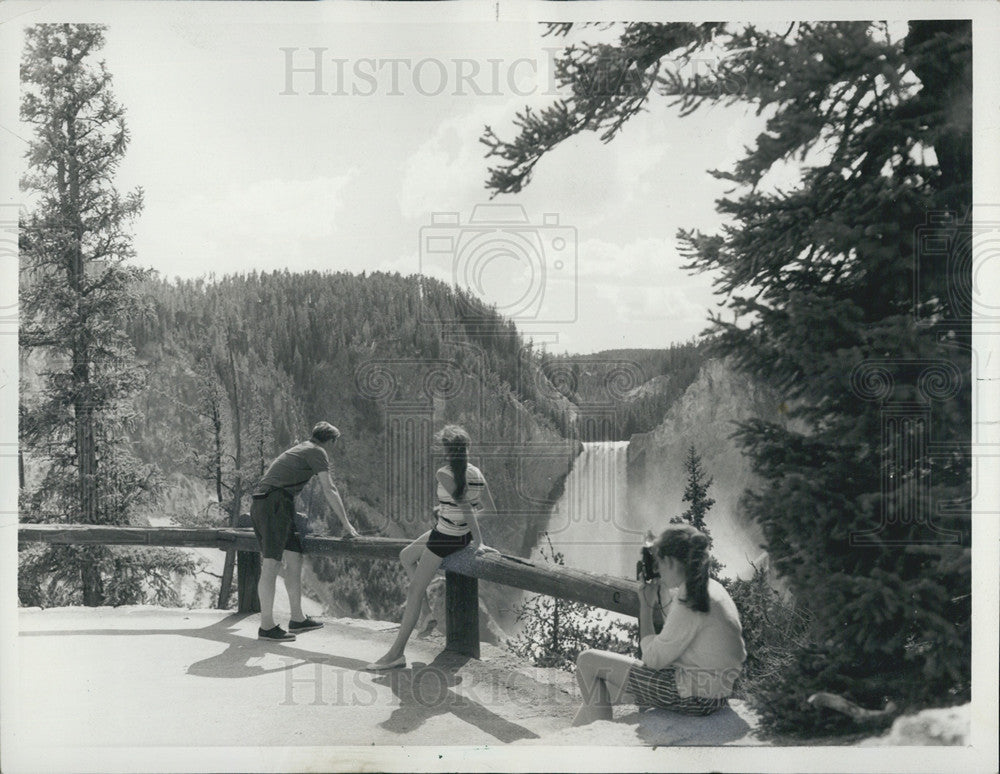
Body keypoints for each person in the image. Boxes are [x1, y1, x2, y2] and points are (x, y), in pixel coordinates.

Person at [571, 523, 747, 725]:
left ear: (671, 562)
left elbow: (653, 660)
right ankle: (567, 744)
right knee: (602, 686)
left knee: (587, 661)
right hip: (715, 693)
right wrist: (663, 597)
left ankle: (600, 746)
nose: (658, 570)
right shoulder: (709, 588)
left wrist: (645, 607)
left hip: (695, 698)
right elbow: (673, 642)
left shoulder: (689, 600)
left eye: (660, 563)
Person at [365, 424, 499, 670]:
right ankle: (427, 614)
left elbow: (466, 509)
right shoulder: (477, 474)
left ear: (447, 449)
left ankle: (396, 653)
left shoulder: (444, 473)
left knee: (415, 590)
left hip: (444, 537)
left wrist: (479, 541)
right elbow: (487, 509)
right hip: (457, 535)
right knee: (406, 556)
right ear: (467, 448)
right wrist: (462, 525)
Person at [250, 421, 360, 642]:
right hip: (274, 504)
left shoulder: (303, 447)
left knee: (294, 556)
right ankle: (266, 626)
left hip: (273, 503)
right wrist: (347, 525)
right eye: (334, 443)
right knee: (271, 563)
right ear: (330, 440)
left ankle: (297, 619)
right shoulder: (317, 451)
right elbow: (329, 488)